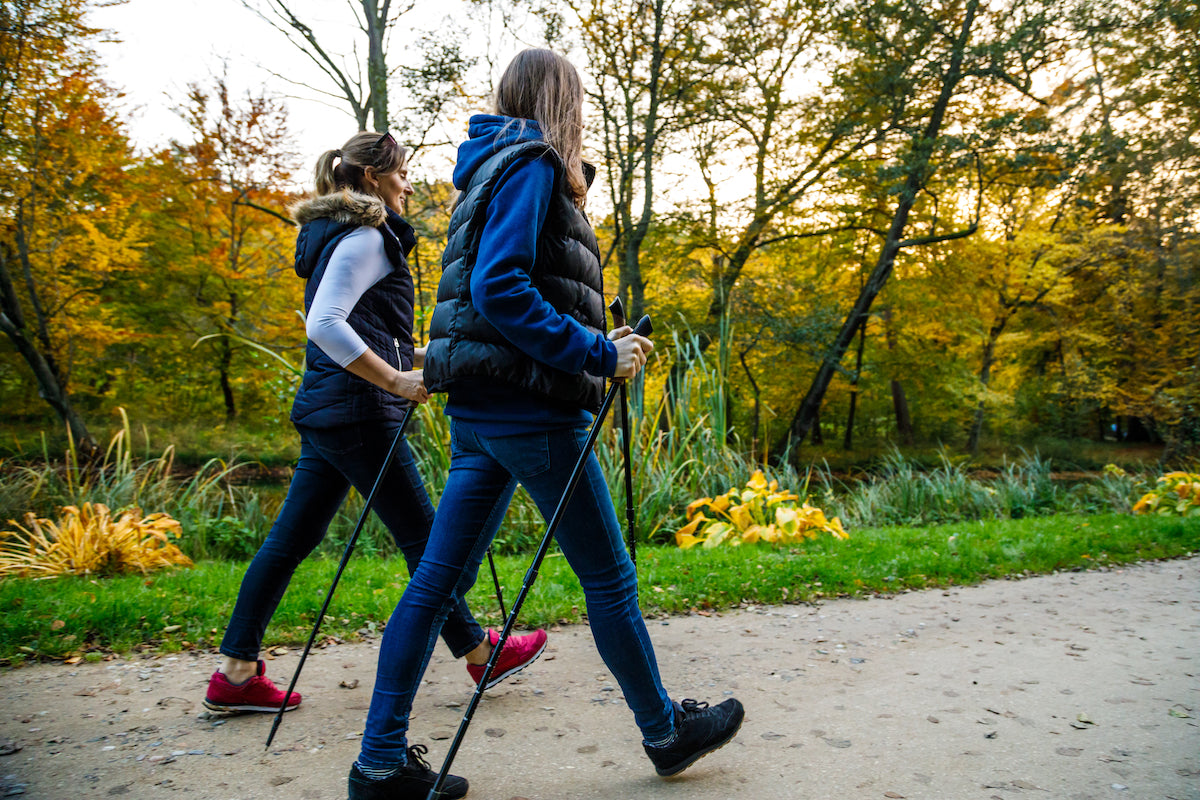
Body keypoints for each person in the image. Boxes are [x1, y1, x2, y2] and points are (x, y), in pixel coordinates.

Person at [348, 50, 744, 800]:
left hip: (479, 410)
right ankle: (665, 732)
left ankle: (378, 764)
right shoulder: (530, 163)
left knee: (434, 582)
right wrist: (599, 350)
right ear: (560, 99)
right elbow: (500, 287)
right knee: (610, 580)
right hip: (534, 410)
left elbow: (495, 283)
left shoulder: (484, 171)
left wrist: (594, 331)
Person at [203, 131, 547, 715]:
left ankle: (236, 673)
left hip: (333, 410)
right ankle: (476, 651)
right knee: (428, 542)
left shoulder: (340, 235)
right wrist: (394, 381)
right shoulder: (366, 236)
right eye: (402, 173)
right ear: (371, 178)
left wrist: (436, 361)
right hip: (360, 412)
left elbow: (371, 335)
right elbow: (325, 325)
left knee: (291, 541)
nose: (408, 185)